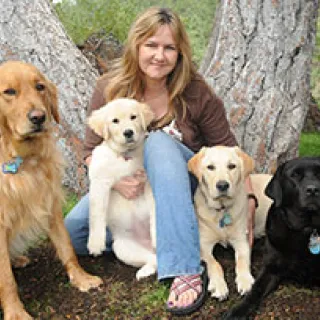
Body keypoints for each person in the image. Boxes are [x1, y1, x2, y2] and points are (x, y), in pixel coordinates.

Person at [65, 6, 257, 316]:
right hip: (128, 186)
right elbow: (90, 151)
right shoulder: (110, 87)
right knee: (73, 233)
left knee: (157, 143)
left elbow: (228, 148)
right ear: (136, 45)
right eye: (151, 45)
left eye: (169, 47)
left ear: (180, 53)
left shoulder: (196, 92)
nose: (159, 55)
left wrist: (248, 200)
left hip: (178, 181)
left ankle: (185, 268)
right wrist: (115, 182)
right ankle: (155, 242)